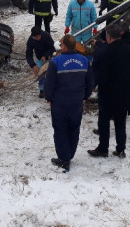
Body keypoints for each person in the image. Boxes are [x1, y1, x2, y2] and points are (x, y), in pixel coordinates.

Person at [44, 34, 95, 172]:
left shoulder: (56, 62)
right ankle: (70, 154)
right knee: (74, 128)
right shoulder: (84, 61)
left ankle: (64, 158)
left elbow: (49, 84)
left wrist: (48, 98)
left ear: (64, 46)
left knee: (60, 130)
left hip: (60, 103)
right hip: (77, 102)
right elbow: (90, 82)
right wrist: (85, 96)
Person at [88, 24, 130, 159]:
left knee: (104, 121)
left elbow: (98, 73)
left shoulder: (103, 53)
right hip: (124, 92)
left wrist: (94, 84)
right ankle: (121, 149)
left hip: (108, 92)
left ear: (108, 37)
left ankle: (103, 149)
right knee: (120, 122)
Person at [25, 25, 56, 98]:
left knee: (50, 74)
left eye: (37, 37)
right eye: (34, 37)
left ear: (40, 35)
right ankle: (42, 90)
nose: (35, 38)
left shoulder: (46, 36)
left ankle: (51, 88)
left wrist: (45, 55)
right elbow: (28, 54)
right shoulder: (31, 40)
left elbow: (52, 48)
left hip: (48, 57)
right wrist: (33, 65)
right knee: (40, 74)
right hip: (39, 58)